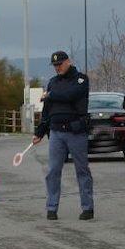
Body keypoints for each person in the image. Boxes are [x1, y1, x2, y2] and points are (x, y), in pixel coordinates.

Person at [33, 51, 94, 221]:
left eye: (60, 64)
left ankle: (87, 207)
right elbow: (47, 110)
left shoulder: (81, 79)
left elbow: (70, 95)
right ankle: (51, 208)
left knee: (82, 170)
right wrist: (40, 131)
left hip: (76, 131)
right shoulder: (52, 82)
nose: (57, 68)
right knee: (53, 171)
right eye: (55, 65)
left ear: (68, 62)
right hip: (56, 132)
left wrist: (50, 95)